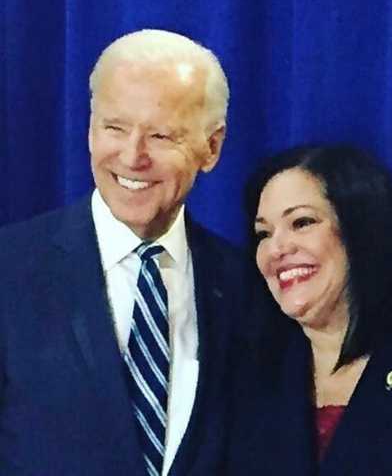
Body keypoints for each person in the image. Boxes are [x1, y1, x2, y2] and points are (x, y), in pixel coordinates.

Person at [0, 29, 248, 475]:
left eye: (161, 135)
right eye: (114, 128)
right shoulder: (9, 269)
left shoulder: (246, 288)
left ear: (212, 147)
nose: (132, 157)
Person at [226, 145, 392, 475]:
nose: (277, 248)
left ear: (361, 230)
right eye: (264, 233)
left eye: (302, 222)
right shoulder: (248, 377)